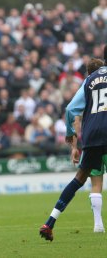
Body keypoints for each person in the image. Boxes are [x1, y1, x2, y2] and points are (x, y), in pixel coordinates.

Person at [39, 55, 107, 241]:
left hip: (92, 135)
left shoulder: (89, 80)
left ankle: (49, 222)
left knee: (79, 179)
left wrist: (70, 134)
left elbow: (70, 109)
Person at [70, 58, 106, 233]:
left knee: (96, 183)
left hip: (92, 140)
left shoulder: (87, 87)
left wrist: (76, 145)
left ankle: (98, 224)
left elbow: (74, 116)